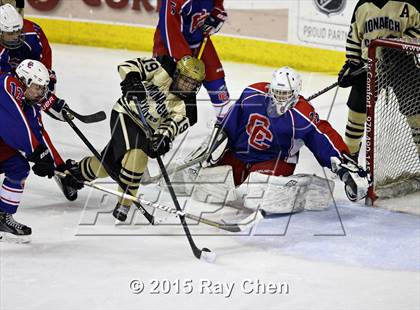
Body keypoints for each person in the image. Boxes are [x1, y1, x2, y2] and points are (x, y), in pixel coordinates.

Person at [186, 67, 370, 213]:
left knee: (258, 194)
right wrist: (213, 145)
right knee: (207, 187)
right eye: (277, 92)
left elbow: (322, 136)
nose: (280, 98)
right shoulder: (252, 94)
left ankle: (302, 187)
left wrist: (344, 167)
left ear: (295, 93)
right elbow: (229, 123)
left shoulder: (302, 114)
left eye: (285, 94)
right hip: (241, 155)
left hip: (274, 160)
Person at [74, 55, 205, 221]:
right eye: (186, 80)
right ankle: (125, 203)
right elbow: (127, 66)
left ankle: (75, 173)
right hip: (125, 114)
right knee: (138, 155)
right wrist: (132, 79)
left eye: (193, 84)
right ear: (177, 73)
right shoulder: (164, 66)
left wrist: (162, 140)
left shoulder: (189, 110)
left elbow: (170, 127)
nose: (188, 86)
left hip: (145, 130)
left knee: (106, 166)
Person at [0, 59, 82, 243]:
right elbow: (14, 125)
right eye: (37, 87)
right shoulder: (8, 85)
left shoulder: (29, 101)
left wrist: (60, 169)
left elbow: (38, 134)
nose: (41, 92)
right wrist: (35, 152)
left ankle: (3, 216)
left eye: (43, 88)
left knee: (18, 168)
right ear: (24, 81)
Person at [338, 0, 420, 160]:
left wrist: (397, 45)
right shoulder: (362, 5)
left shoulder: (410, 3)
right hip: (369, 66)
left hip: (402, 65)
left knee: (416, 115)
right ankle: (350, 157)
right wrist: (352, 63)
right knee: (356, 113)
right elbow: (354, 37)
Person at [153, 0, 231, 119]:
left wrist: (217, 13)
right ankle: (155, 121)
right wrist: (183, 59)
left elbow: (217, 5)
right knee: (165, 87)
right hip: (169, 45)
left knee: (217, 82)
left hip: (198, 40)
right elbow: (169, 29)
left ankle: (226, 123)